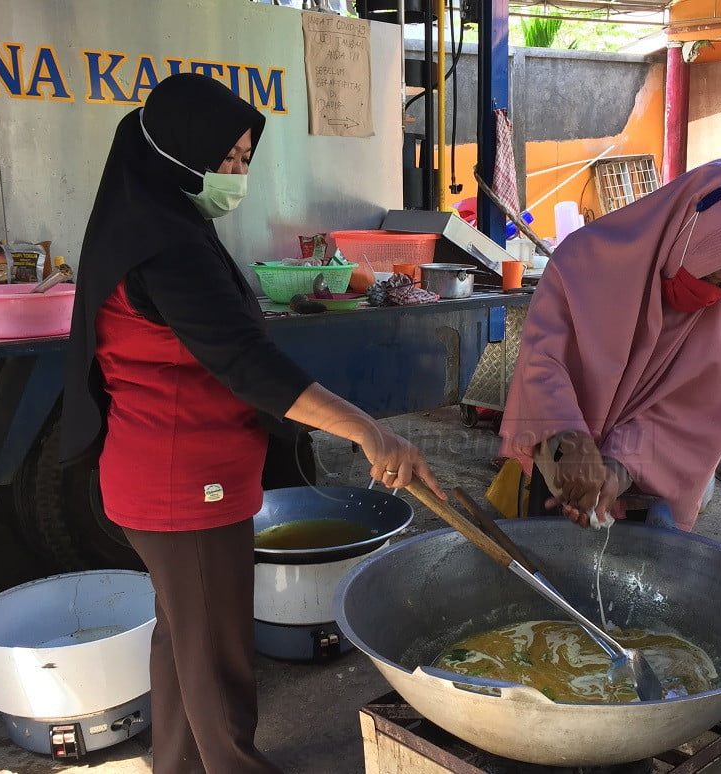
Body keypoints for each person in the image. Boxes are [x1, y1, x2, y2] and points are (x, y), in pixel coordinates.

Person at [61, 74, 443, 774]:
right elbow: (246, 363)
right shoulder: (165, 246)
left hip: (159, 477)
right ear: (179, 152)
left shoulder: (152, 216)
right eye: (228, 158)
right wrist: (369, 429)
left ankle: (176, 766)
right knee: (218, 665)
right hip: (182, 488)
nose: (237, 173)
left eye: (244, 158)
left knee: (183, 645)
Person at [498, 157, 721, 531]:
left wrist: (620, 465)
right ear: (681, 231)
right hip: (563, 459)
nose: (711, 297)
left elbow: (697, 411)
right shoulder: (580, 263)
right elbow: (541, 361)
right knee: (547, 572)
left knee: (637, 583)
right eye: (706, 276)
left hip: (647, 484)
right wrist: (568, 438)